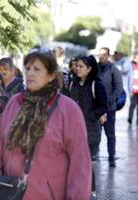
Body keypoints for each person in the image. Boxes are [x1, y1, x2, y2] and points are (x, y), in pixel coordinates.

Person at [0, 51, 92, 200]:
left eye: (37, 69)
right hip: (11, 195)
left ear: (51, 75)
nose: (30, 73)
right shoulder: (15, 103)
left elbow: (80, 163)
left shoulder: (68, 110)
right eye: (27, 68)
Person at [68, 55, 107, 198]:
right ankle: (75, 189)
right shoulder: (72, 83)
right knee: (72, 161)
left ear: (89, 69)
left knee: (85, 162)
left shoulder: (96, 84)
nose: (77, 69)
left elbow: (103, 105)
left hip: (90, 131)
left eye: (80, 66)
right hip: (72, 130)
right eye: (76, 66)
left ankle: (91, 191)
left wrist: (89, 116)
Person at [98, 47, 123, 167]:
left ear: (108, 56)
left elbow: (119, 88)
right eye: (100, 54)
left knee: (110, 134)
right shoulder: (95, 69)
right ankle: (93, 155)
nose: (101, 56)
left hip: (109, 108)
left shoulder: (113, 69)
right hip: (96, 109)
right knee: (94, 134)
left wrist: (110, 100)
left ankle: (111, 156)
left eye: (104, 54)